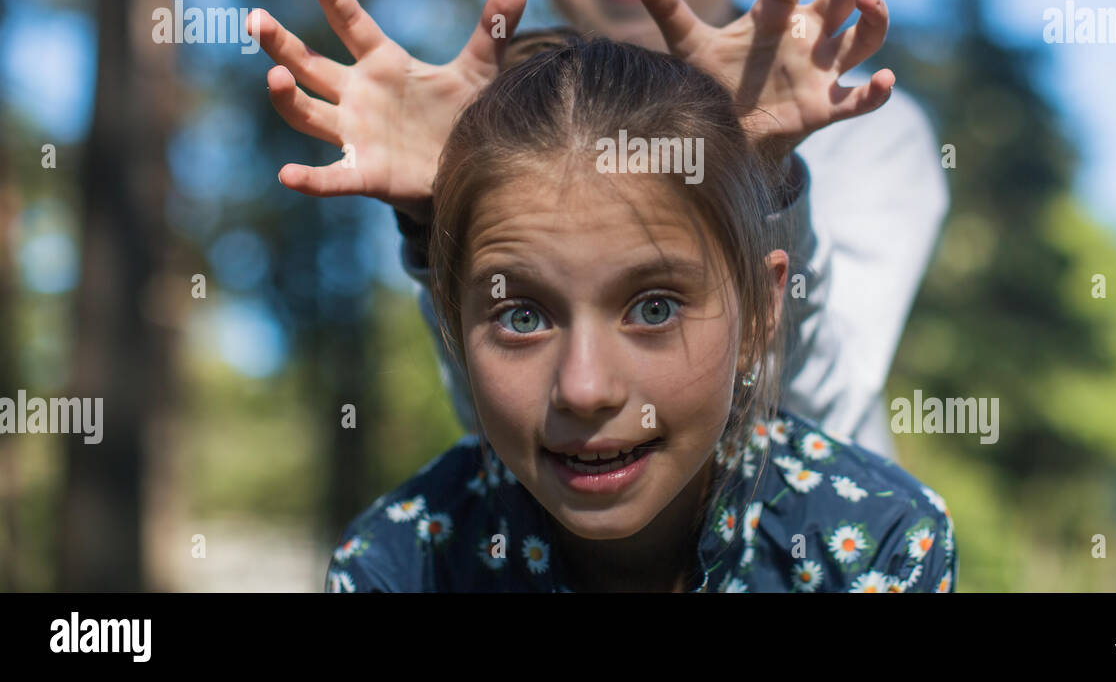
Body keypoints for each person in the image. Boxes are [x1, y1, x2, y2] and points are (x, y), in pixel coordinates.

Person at [249, 0, 948, 458]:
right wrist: (437, 219)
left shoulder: (867, 131)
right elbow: (502, 422)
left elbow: (815, 411)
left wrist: (761, 175)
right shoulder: (492, 128)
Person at [325, 38, 956, 592]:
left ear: (762, 310)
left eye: (653, 309)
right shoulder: (399, 566)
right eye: (521, 318)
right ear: (453, 326)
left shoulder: (878, 544)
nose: (585, 389)